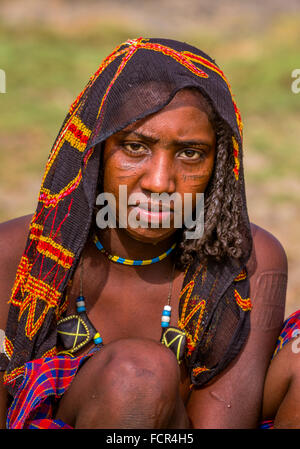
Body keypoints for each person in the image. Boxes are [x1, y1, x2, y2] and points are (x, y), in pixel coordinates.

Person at [0, 38, 288, 429]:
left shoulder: (246, 260)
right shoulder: (18, 256)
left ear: (218, 166)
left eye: (190, 153)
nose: (159, 182)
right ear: (95, 150)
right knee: (137, 375)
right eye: (135, 146)